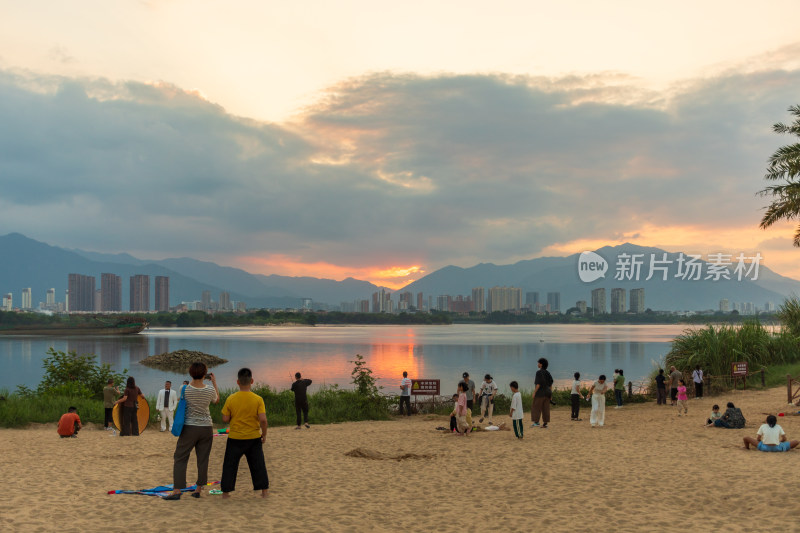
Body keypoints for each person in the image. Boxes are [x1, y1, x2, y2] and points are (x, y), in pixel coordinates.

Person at [164, 362, 220, 500]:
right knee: (203, 459)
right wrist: (214, 383)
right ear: (204, 374)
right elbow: (217, 400)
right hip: (206, 428)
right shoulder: (209, 390)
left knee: (180, 457)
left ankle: (177, 490)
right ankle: (198, 489)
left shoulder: (185, 388)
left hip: (189, 428)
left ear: (191, 373)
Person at [220, 368, 269, 499]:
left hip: (235, 437)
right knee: (258, 465)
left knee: (230, 465)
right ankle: (264, 492)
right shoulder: (258, 399)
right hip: (253, 437)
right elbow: (263, 420)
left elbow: (225, 419)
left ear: (237, 382)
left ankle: (226, 493)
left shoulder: (231, 398)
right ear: (252, 381)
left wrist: (233, 417)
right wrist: (264, 434)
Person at [531, 357, 553, 428]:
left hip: (540, 393)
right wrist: (551, 394)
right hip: (547, 393)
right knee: (546, 408)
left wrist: (534, 392)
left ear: (541, 364)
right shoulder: (548, 373)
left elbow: (538, 384)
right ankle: (545, 423)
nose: (538, 364)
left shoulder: (539, 372)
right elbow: (550, 384)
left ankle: (536, 422)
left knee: (536, 407)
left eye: (539, 363)